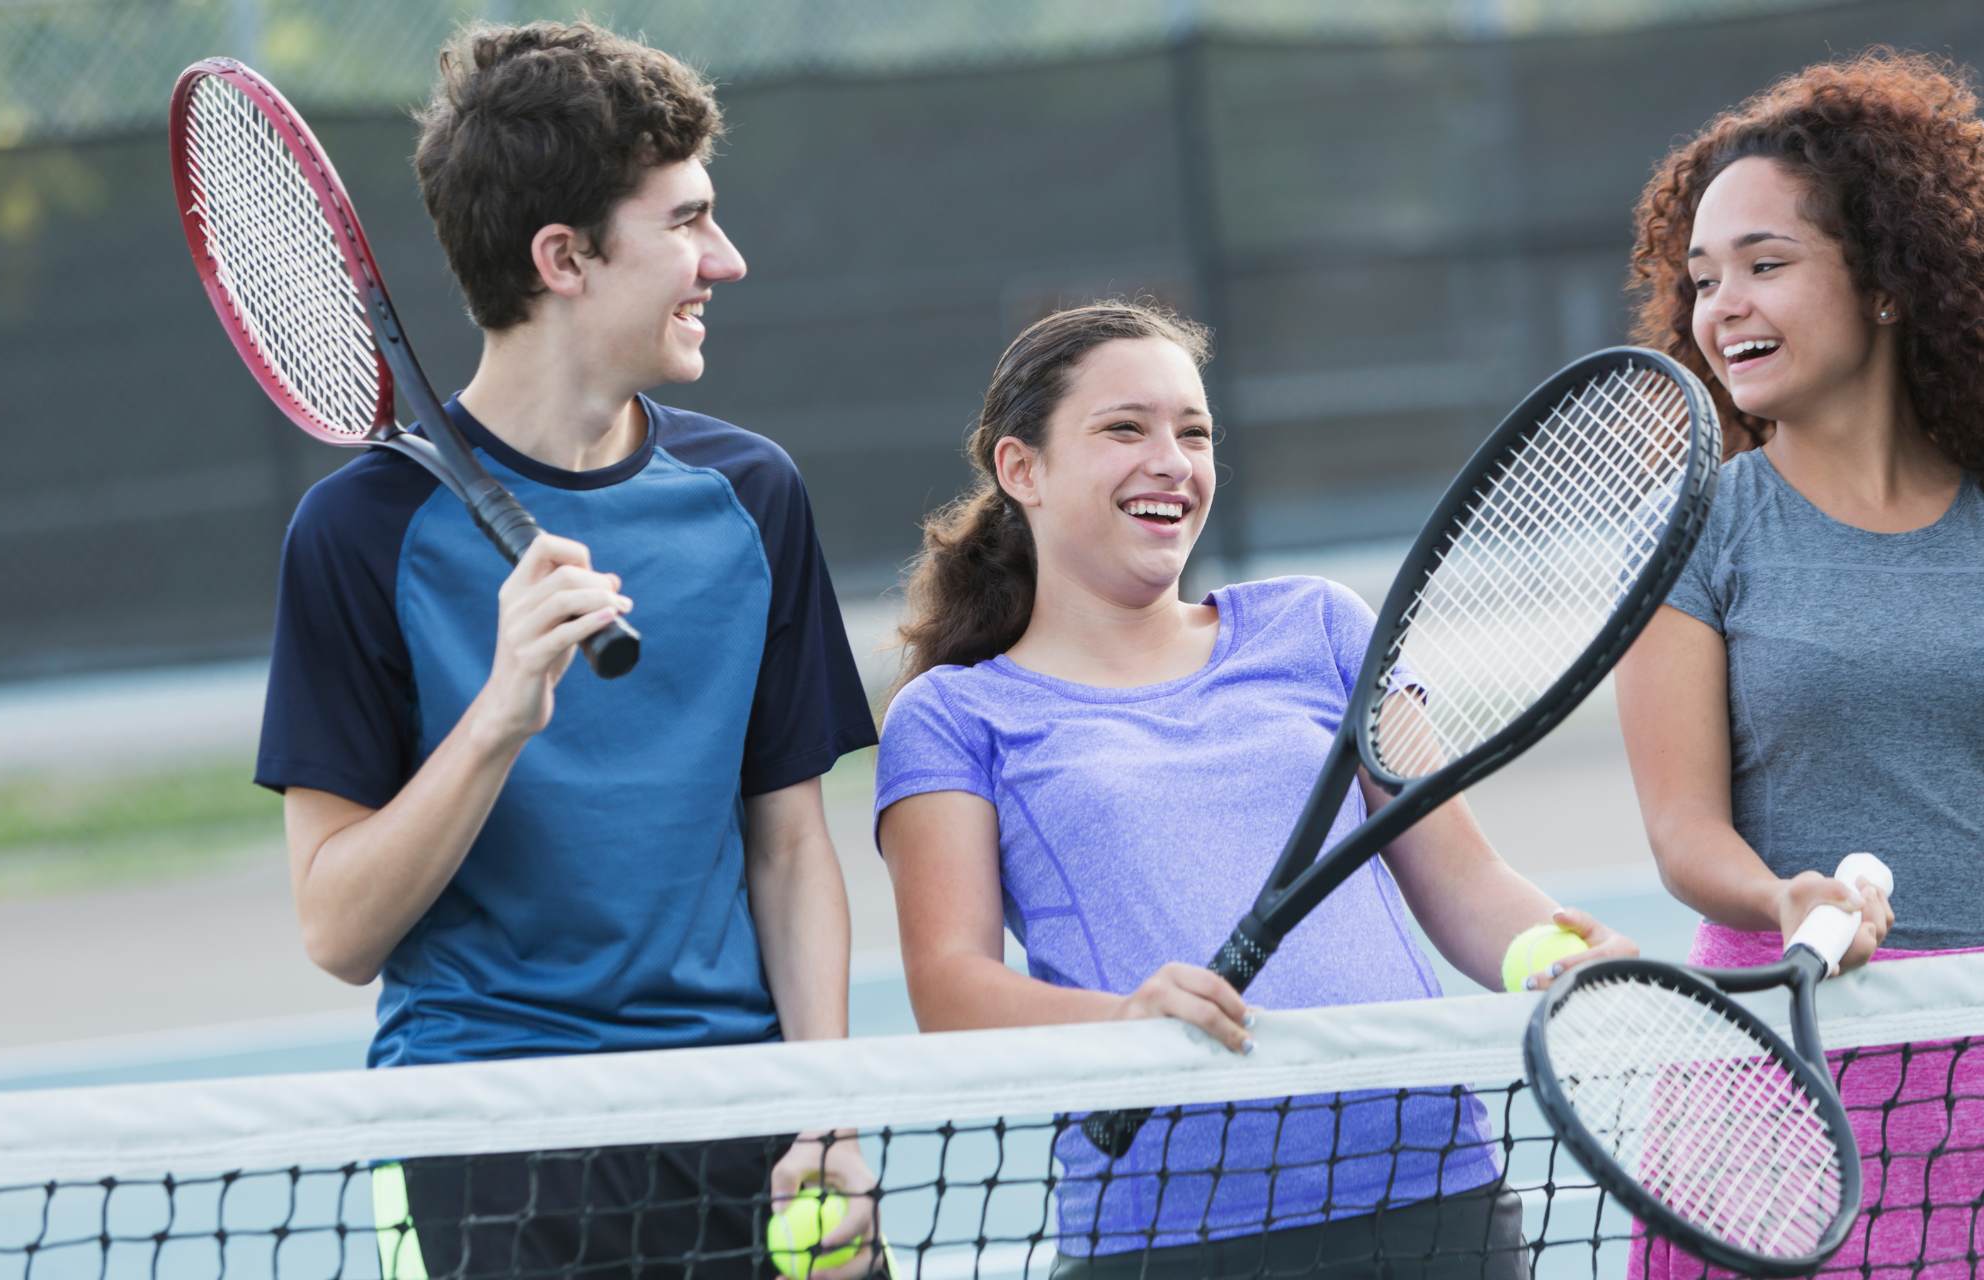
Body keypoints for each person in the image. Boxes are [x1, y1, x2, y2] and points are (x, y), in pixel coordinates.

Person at [253, 21, 881, 1279]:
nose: (727, 259)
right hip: (491, 1138)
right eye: (688, 221)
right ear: (564, 257)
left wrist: (825, 1102)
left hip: (742, 1125)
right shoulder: (358, 532)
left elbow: (790, 844)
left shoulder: (752, 495)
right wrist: (497, 714)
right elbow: (337, 929)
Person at [873, 300, 1636, 1278]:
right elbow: (949, 990)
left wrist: (1553, 955)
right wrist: (1119, 1020)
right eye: (1124, 428)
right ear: (1024, 469)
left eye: (1193, 432)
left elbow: (1467, 883)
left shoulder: (1320, 627)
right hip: (1167, 1236)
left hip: (1432, 1197)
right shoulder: (952, 715)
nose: (1172, 460)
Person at [1617, 48, 1984, 1277]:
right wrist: (1785, 900)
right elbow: (1683, 832)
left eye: (1766, 266)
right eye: (1704, 278)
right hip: (1773, 1066)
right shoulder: (1694, 530)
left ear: (1884, 279)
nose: (1723, 306)